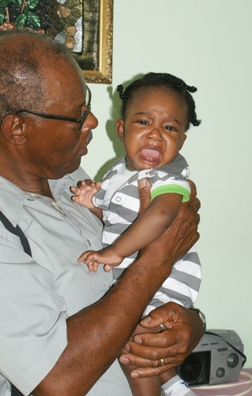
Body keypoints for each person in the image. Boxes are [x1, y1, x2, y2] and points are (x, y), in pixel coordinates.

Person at [0, 29, 203, 396]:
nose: (93, 122)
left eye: (88, 106)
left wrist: (190, 323)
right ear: (18, 128)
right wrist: (157, 258)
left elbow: (133, 287)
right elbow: (56, 382)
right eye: (77, 115)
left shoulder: (72, 179)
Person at [71, 73, 202, 396]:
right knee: (144, 335)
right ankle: (174, 385)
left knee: (133, 342)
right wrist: (92, 204)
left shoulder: (171, 179)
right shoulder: (118, 173)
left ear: (182, 140)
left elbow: (160, 215)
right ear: (121, 129)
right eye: (143, 122)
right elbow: (118, 218)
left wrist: (115, 252)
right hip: (137, 272)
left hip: (167, 279)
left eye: (170, 128)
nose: (156, 135)